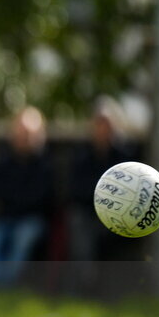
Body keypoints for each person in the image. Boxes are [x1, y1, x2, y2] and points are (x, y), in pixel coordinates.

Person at [64, 96, 139, 292]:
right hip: (89, 214)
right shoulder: (81, 155)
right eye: (99, 124)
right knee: (79, 226)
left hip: (120, 215)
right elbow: (75, 190)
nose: (103, 129)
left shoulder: (126, 154)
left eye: (107, 123)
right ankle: (83, 284)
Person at [0, 106, 55, 287]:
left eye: (28, 133)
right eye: (21, 132)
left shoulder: (45, 163)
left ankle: (8, 286)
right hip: (3, 218)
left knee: (23, 238)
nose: (24, 137)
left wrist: (14, 200)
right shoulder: (2, 159)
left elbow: (43, 198)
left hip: (31, 220)